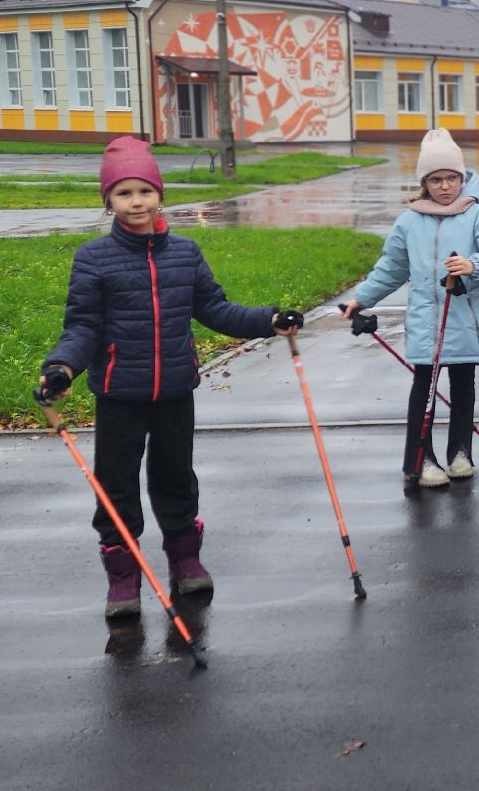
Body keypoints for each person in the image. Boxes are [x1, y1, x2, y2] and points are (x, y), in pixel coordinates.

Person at [39, 135, 301, 619]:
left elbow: (216, 309)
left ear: (160, 195)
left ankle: (185, 558)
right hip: (119, 394)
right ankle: (123, 576)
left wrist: (268, 320)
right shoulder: (94, 258)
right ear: (109, 200)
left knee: (176, 478)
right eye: (124, 193)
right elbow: (83, 327)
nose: (136, 201)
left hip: (175, 392)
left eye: (145, 191)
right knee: (116, 486)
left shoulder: (185, 253)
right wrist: (62, 367)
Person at [342, 129, 479, 493]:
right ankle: (419, 460)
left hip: (465, 321)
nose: (445, 186)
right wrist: (362, 298)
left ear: (462, 178)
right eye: (436, 179)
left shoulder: (476, 215)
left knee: (463, 386)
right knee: (424, 389)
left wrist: (473, 266)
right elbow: (391, 267)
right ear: (424, 182)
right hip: (426, 324)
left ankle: (460, 452)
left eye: (452, 178)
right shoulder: (409, 221)